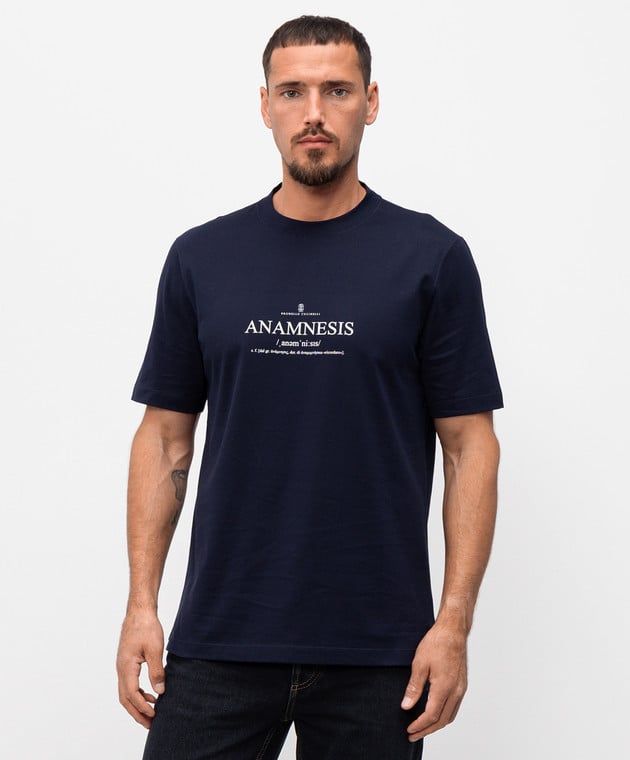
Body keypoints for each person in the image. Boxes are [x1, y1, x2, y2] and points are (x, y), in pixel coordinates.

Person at [116, 15, 503, 760]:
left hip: (380, 652)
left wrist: (453, 623)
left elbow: (469, 447)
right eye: (293, 91)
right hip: (221, 638)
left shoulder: (431, 258)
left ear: (371, 102)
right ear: (265, 105)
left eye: (338, 90)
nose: (314, 112)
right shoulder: (202, 257)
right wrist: (141, 604)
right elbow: (164, 439)